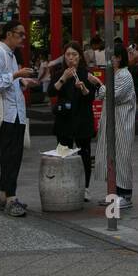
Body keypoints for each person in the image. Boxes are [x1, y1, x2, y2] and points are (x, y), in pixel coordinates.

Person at [0, 20, 35, 216]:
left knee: (13, 156)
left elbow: (9, 82)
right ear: (8, 34)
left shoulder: (10, 55)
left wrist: (22, 80)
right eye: (19, 34)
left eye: (23, 34)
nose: (22, 38)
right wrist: (16, 75)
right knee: (10, 156)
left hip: (14, 113)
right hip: (6, 113)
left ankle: (5, 195)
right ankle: (11, 197)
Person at [49, 41, 101, 196]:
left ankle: (84, 188)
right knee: (63, 153)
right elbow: (51, 92)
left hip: (82, 120)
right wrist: (63, 79)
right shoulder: (59, 73)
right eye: (68, 55)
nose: (71, 58)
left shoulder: (86, 74)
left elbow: (91, 97)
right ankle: (64, 184)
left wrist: (84, 88)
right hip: (64, 120)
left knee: (84, 154)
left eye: (74, 55)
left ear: (80, 57)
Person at [93, 43, 136, 210]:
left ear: (118, 57)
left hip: (122, 123)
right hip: (113, 122)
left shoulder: (124, 75)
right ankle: (113, 193)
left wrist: (98, 83)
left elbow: (113, 95)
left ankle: (124, 194)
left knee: (122, 158)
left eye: (111, 56)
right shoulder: (115, 73)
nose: (108, 59)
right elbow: (105, 94)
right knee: (110, 157)